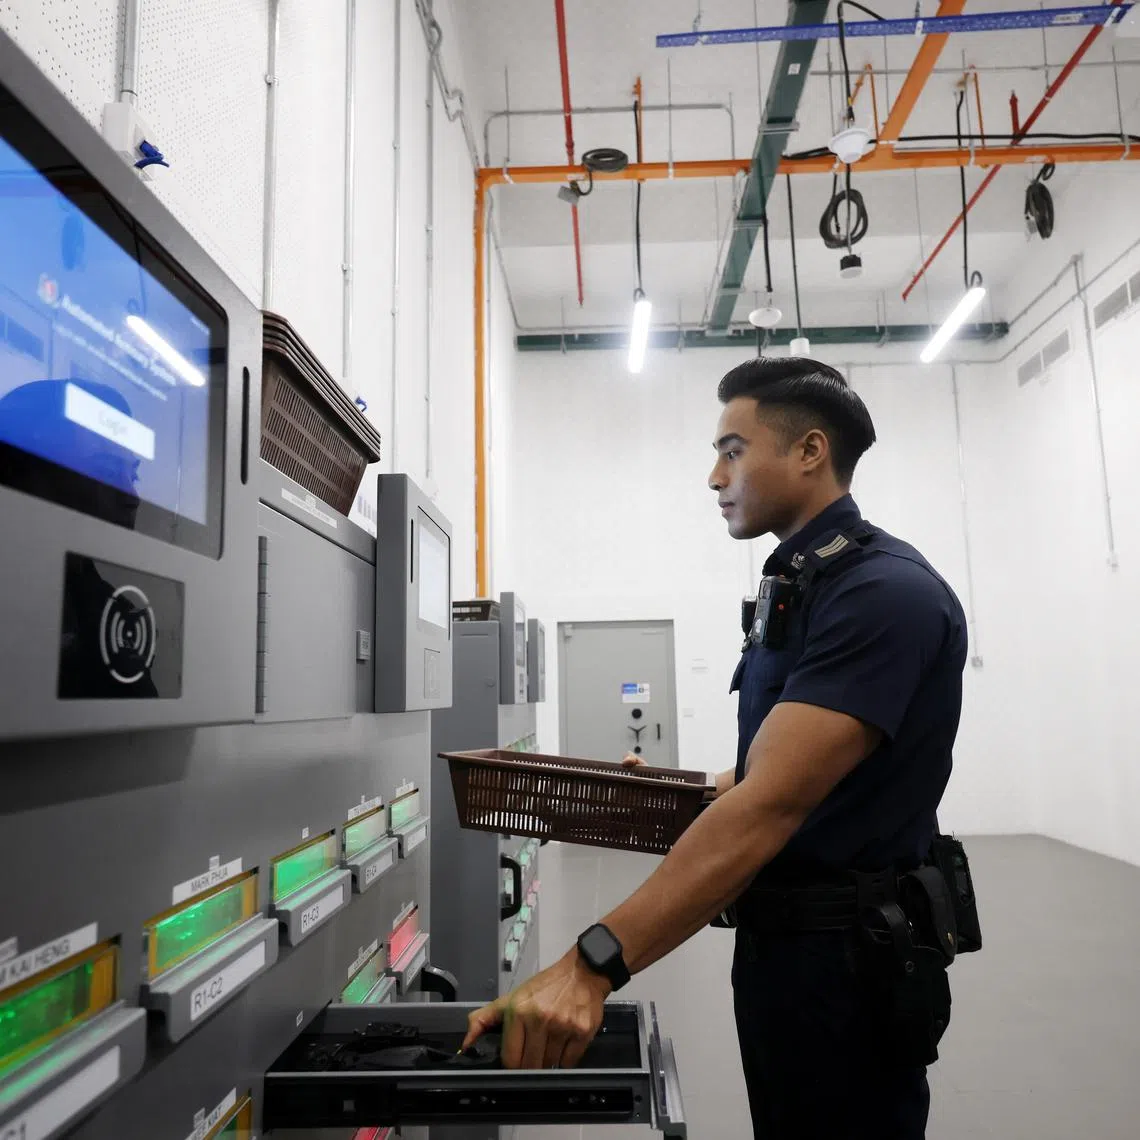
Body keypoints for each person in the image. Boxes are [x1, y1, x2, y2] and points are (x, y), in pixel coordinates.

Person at [461, 357, 968, 1139]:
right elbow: (784, 767)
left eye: (732, 449)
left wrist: (588, 965)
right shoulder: (802, 588)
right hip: (785, 947)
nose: (713, 476)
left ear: (808, 451)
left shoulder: (882, 593)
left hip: (847, 961)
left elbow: (772, 806)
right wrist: (693, 787)